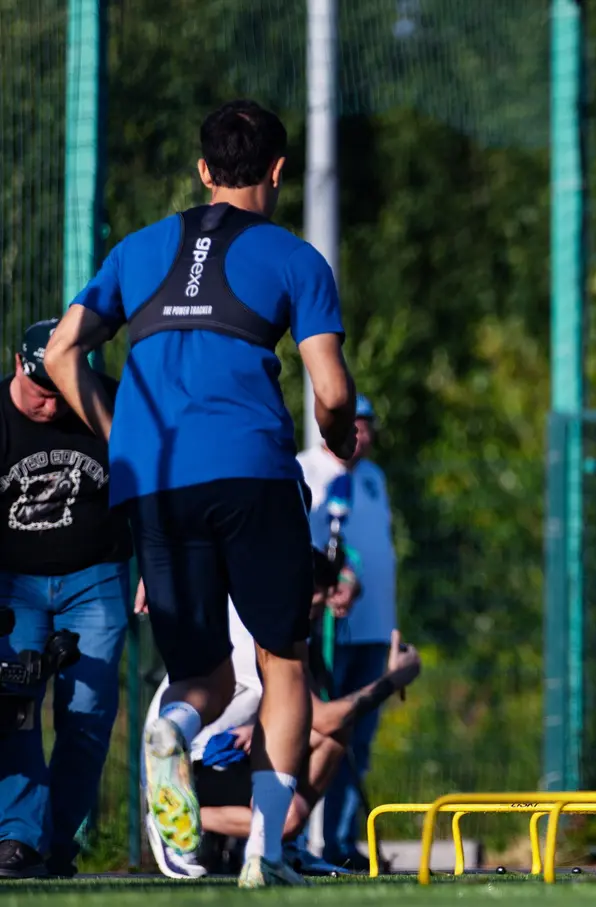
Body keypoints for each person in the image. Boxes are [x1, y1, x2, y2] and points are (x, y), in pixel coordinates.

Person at [43, 99, 356, 888]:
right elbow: (331, 386)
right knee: (281, 662)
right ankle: (266, 852)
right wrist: (340, 431)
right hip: (250, 472)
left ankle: (173, 730)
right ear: (279, 172)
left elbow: (59, 351)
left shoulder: (137, 249)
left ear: (203, 171)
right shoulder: (295, 258)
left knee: (206, 677)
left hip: (152, 482)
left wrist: (120, 436)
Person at [141, 600, 419, 879]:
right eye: (322, 582)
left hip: (227, 758)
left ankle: (278, 846)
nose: (329, 596)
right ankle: (179, 821)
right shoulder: (260, 628)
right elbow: (325, 718)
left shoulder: (291, 627)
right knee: (289, 814)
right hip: (192, 768)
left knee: (326, 736)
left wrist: (258, 728)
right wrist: (393, 679)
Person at [0, 319, 132, 878]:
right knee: (16, 707)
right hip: (14, 583)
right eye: (40, 391)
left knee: (88, 714)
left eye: (61, 391)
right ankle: (17, 839)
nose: (51, 407)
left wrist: (151, 565)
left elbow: (144, 481)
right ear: (17, 366)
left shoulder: (105, 402)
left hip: (95, 577)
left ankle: (52, 842)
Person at [296, 393, 397, 868]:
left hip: (373, 629)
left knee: (360, 737)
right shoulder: (305, 471)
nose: (362, 435)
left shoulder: (374, 478)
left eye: (367, 425)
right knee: (320, 730)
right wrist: (335, 584)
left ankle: (341, 839)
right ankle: (298, 834)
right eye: (352, 424)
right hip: (323, 631)